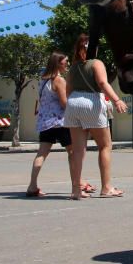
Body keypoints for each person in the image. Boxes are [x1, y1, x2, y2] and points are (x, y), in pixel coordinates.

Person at [64, 33, 129, 199]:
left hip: (73, 103)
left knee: (78, 150)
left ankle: (76, 190)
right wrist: (117, 100)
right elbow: (102, 83)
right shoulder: (96, 63)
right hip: (92, 102)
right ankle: (106, 187)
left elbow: (68, 90)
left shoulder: (72, 67)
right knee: (105, 146)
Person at [26, 52, 93, 197]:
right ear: (58, 63)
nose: (67, 64)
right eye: (65, 62)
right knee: (73, 153)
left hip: (46, 122)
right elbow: (64, 103)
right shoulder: (59, 80)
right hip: (61, 122)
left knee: (41, 153)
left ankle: (32, 185)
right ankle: (76, 188)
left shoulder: (43, 80)